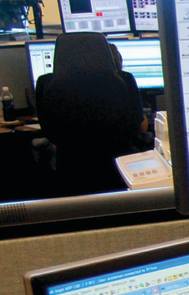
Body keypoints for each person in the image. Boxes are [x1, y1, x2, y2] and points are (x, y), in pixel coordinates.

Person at [35, 32, 146, 195]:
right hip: (119, 169)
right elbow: (139, 126)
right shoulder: (124, 80)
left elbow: (49, 131)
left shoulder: (46, 83)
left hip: (71, 170)